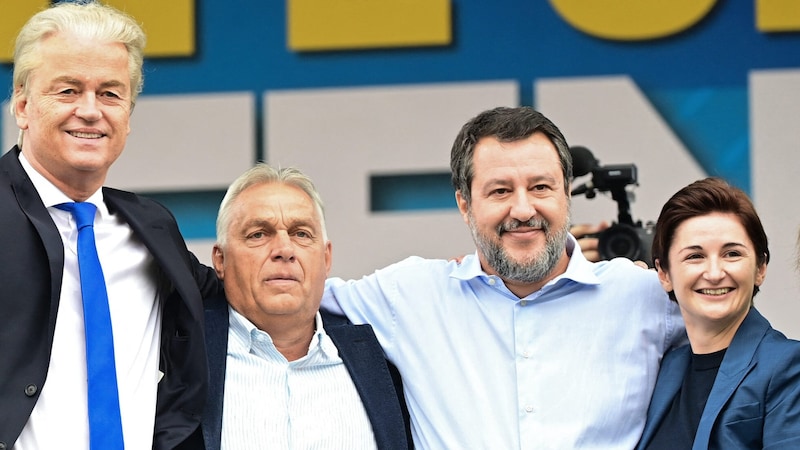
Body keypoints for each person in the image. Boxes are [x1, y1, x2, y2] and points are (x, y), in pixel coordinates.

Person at [322, 106, 687, 448]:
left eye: (541, 187)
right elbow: (289, 301)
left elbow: (734, 332)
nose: (524, 210)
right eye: (500, 191)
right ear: (465, 205)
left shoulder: (643, 294)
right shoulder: (411, 294)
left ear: (567, 194)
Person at [0, 2, 220, 449]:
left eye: (110, 93)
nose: (89, 110)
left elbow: (241, 298)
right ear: (22, 105)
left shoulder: (152, 228)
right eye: (67, 90)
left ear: (128, 115)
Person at [197, 164, 411, 449]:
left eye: (301, 234)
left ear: (326, 258)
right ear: (220, 260)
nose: (284, 250)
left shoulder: (381, 359)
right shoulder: (179, 356)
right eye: (258, 234)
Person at [636, 177, 800, 449]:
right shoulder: (662, 367)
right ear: (664, 274)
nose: (714, 274)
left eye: (732, 254)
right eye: (694, 256)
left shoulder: (789, 366)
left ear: (760, 268)